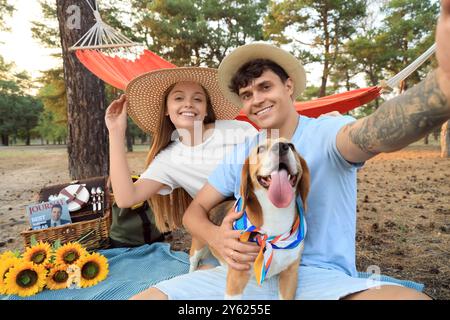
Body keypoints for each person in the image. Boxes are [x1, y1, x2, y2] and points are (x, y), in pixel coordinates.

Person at [131, 0, 450, 300]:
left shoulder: (326, 132)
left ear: (288, 87)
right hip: (242, 274)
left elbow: (376, 132)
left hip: (318, 277)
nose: (255, 99)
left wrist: (443, 87)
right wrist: (215, 238)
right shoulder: (244, 151)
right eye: (246, 94)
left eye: (265, 87)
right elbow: (193, 212)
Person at [106, 67, 257, 257]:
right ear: (167, 110)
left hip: (264, 215)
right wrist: (116, 132)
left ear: (205, 109)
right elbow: (126, 198)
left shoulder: (239, 130)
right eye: (178, 98)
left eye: (198, 99)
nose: (189, 104)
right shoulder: (168, 160)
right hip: (222, 235)